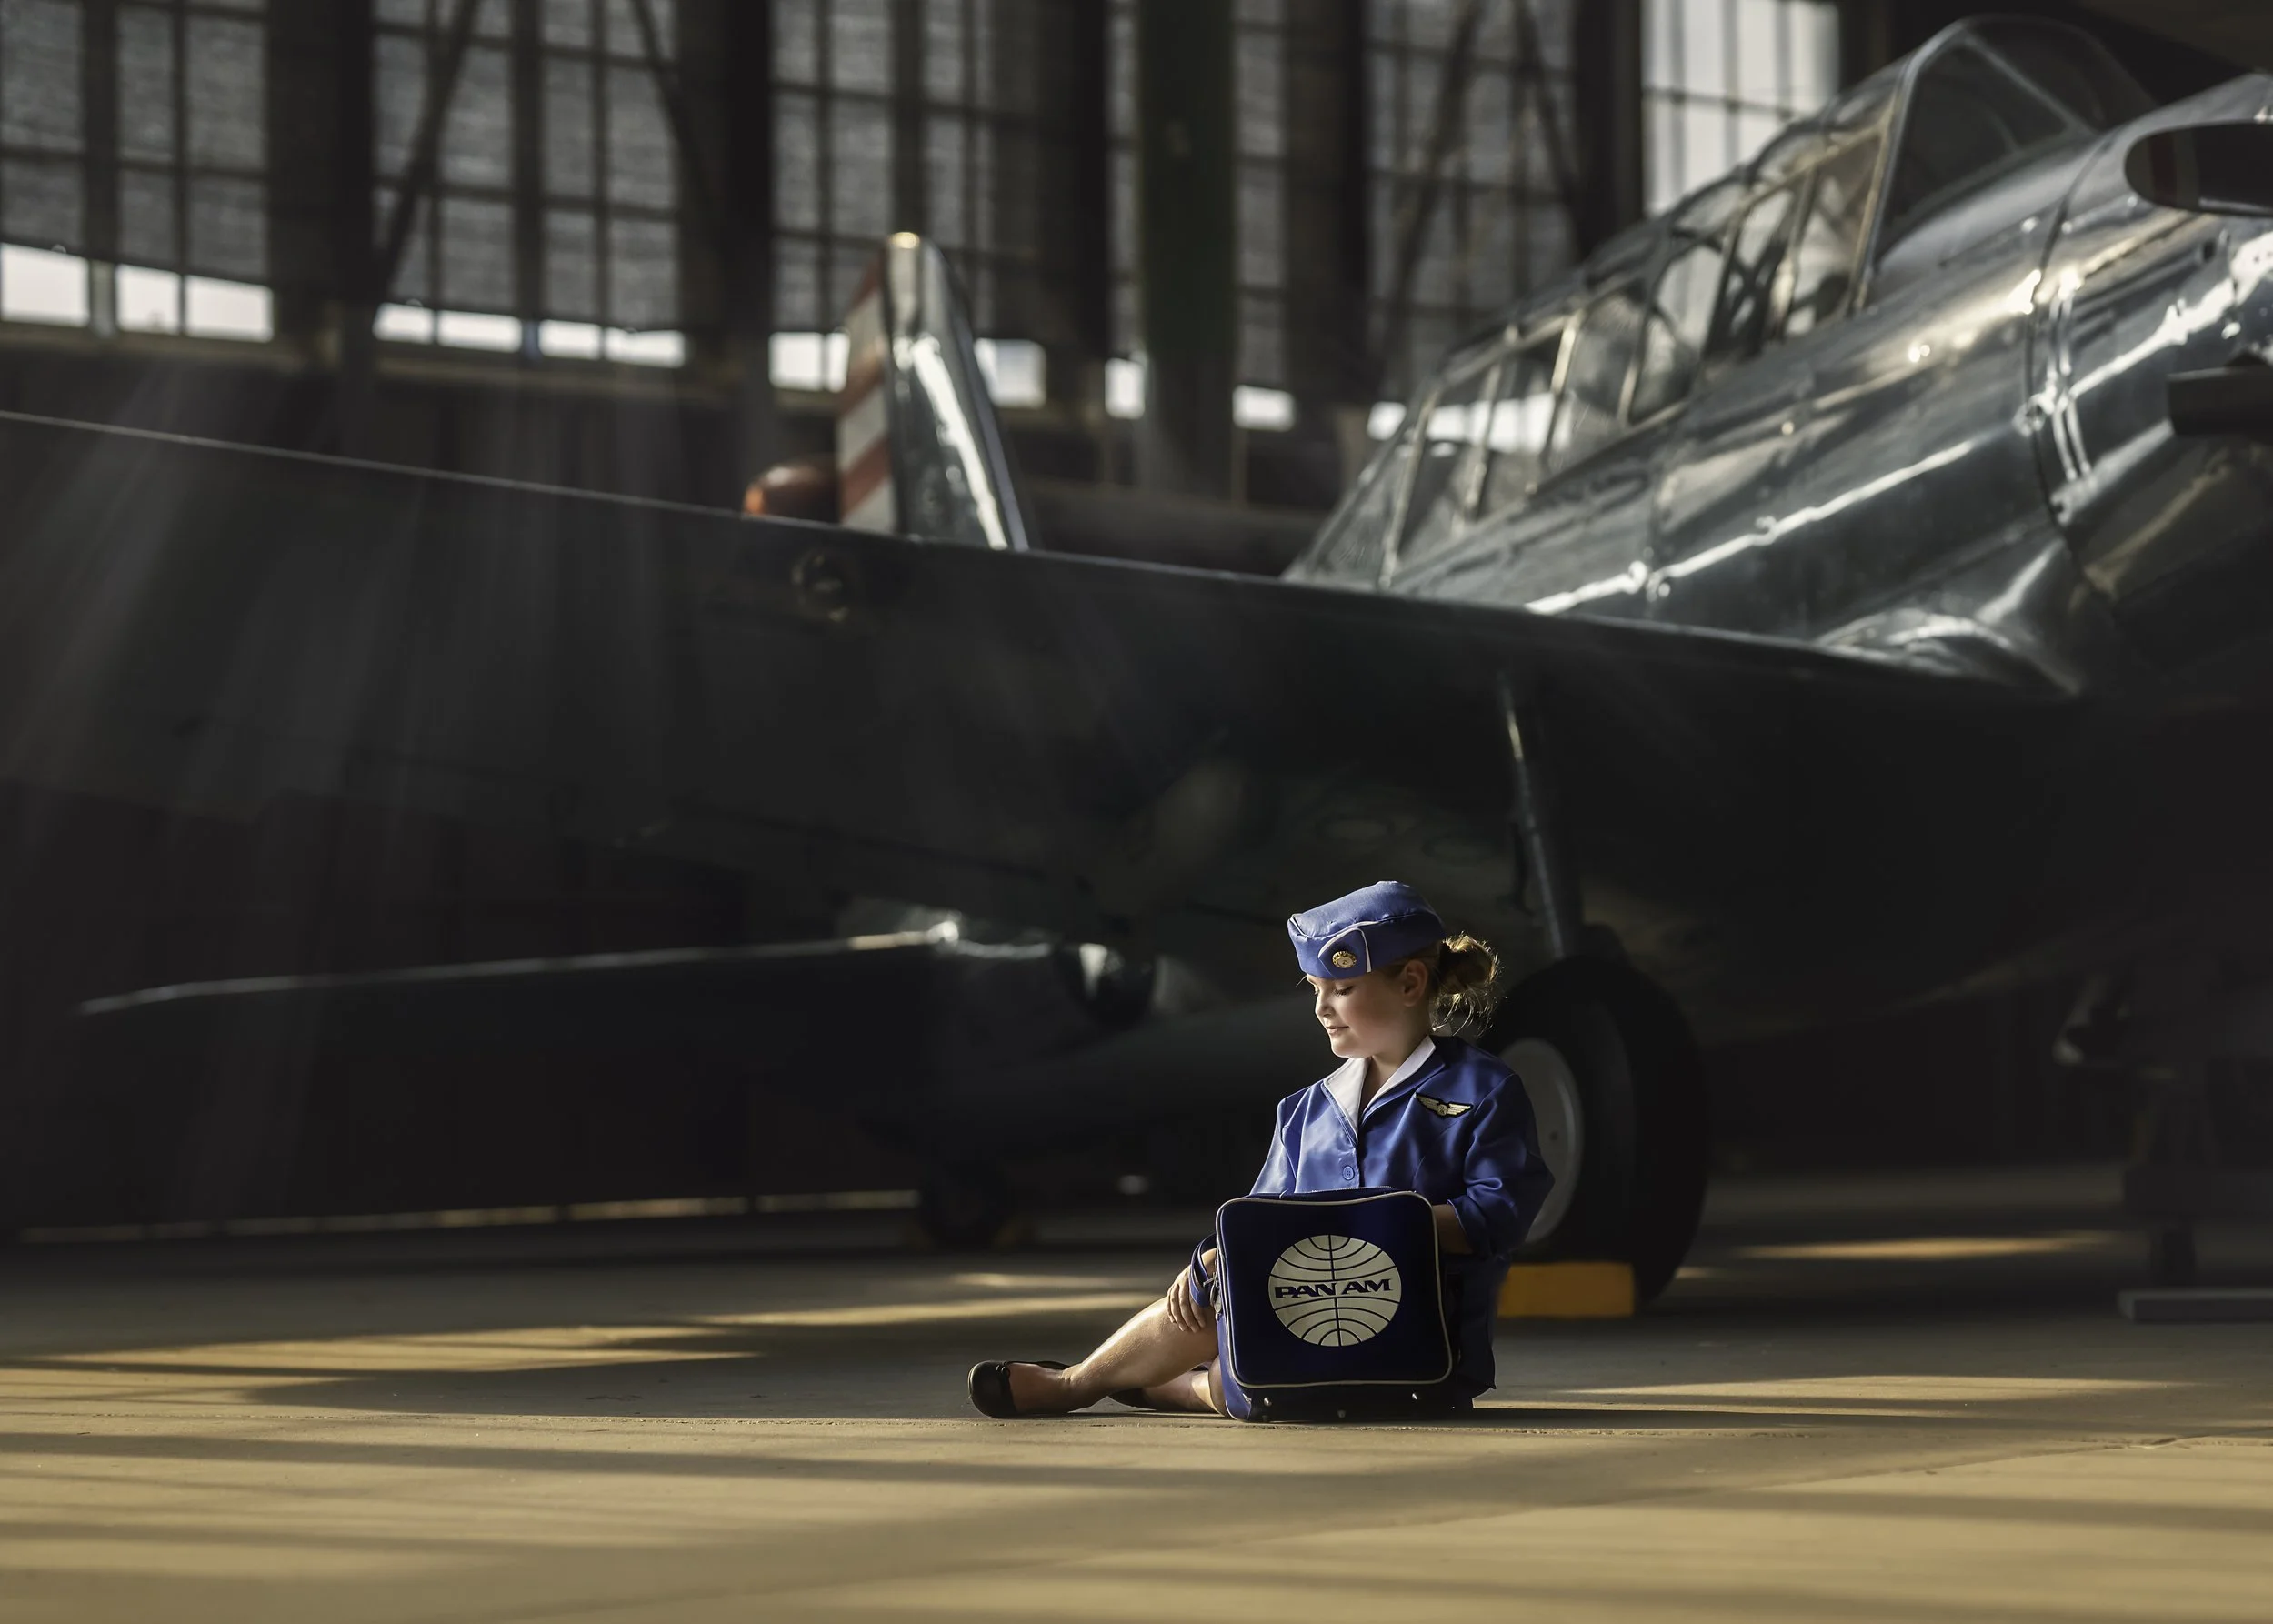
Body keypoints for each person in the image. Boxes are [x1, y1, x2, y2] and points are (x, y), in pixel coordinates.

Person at [968, 880, 1552, 1418]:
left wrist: (1365, 1227)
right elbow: (1261, 1216)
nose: (1322, 1009)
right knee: (1214, 1296)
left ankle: (1177, 1388)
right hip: (1305, 1316)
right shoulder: (1305, 1110)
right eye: (1317, 991)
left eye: (1343, 989)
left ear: (1410, 985)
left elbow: (1498, 1214)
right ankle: (1075, 1384)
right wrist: (1215, 1257)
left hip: (1425, 1344)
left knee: (1243, 1387)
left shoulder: (1484, 1089)